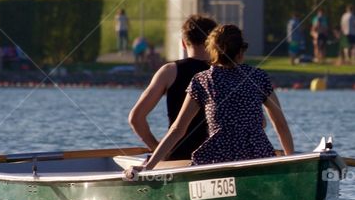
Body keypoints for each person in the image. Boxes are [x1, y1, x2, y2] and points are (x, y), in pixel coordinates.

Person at [126, 24, 294, 176]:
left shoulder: (203, 80)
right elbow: (280, 124)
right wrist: (292, 163)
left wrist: (149, 167)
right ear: (241, 52)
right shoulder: (259, 77)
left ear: (212, 50)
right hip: (259, 155)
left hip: (216, 159)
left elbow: (178, 129)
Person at [128, 15, 217, 161]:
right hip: (217, 156)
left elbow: (136, 118)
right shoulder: (226, 73)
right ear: (213, 43)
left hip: (178, 155)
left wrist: (158, 150)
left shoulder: (169, 71)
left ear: (183, 43)